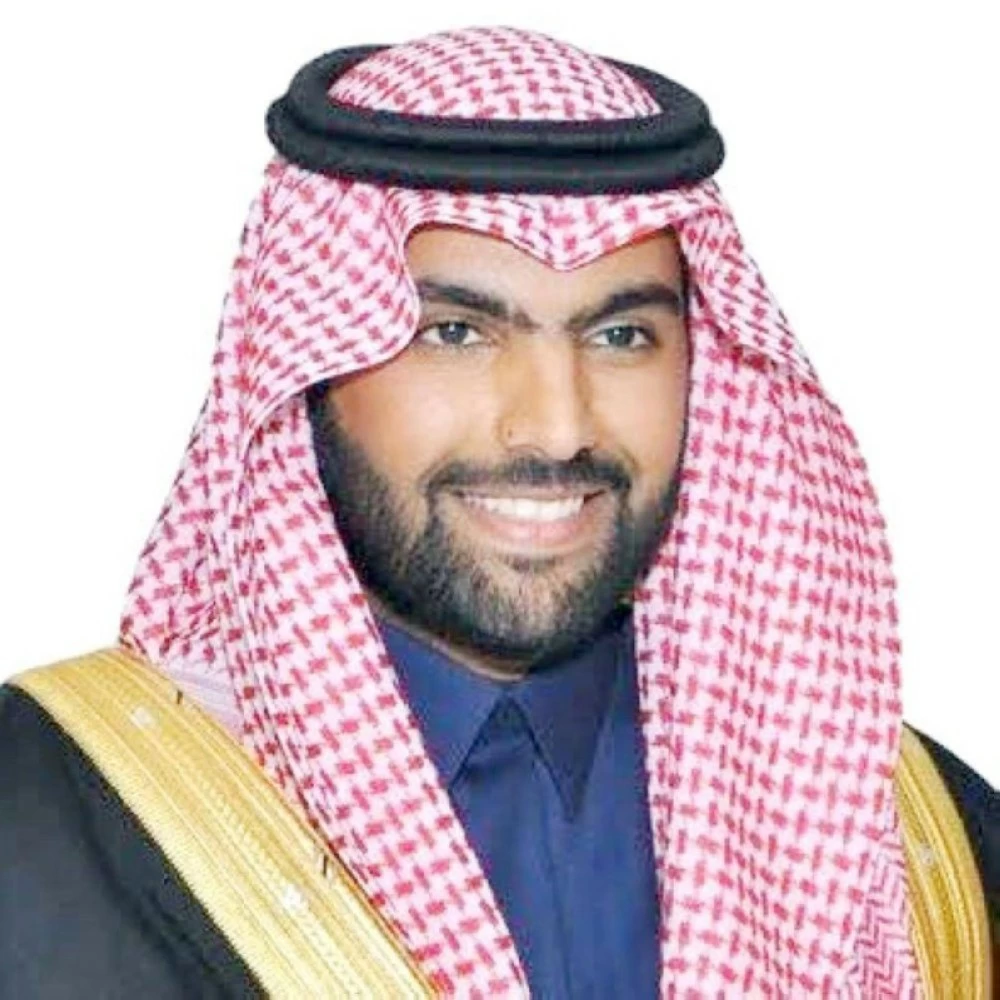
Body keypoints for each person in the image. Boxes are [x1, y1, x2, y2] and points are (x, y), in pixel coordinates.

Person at [0, 25, 995, 999]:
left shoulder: (912, 849)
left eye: (620, 335)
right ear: (306, 368)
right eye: (454, 332)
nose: (556, 427)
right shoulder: (50, 818)